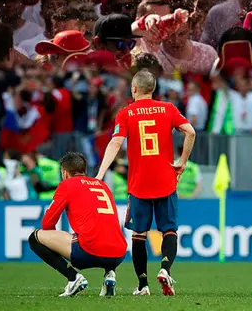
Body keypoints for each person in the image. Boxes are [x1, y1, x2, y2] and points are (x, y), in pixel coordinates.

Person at [95, 70, 196, 296]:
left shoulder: (126, 113)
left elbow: (115, 143)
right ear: (153, 89)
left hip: (139, 183)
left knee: (139, 235)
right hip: (166, 180)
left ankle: (143, 285)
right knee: (169, 231)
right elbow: (190, 132)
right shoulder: (168, 109)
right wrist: (182, 162)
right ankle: (165, 269)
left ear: (134, 88)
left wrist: (100, 174)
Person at [30, 152, 127, 297]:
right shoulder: (103, 186)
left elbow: (47, 223)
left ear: (64, 172)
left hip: (89, 251)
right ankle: (110, 275)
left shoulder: (67, 185)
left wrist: (56, 243)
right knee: (105, 233)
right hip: (118, 253)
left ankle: (73, 278)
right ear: (84, 170)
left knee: (35, 237)